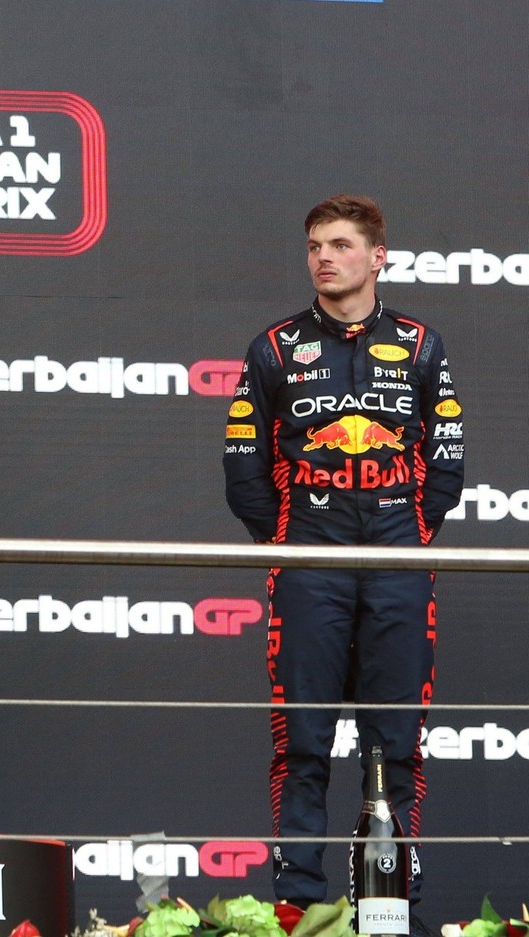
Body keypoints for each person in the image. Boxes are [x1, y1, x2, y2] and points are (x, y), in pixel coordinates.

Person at [224, 195, 462, 921]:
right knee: (301, 742)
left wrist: (404, 532)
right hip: (309, 564)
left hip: (397, 563)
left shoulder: (421, 345)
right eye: (314, 247)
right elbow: (244, 468)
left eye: (339, 245)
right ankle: (297, 908)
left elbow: (446, 463)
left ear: (377, 256)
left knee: (397, 746)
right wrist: (292, 541)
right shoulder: (274, 348)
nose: (323, 258)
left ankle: (390, 911)